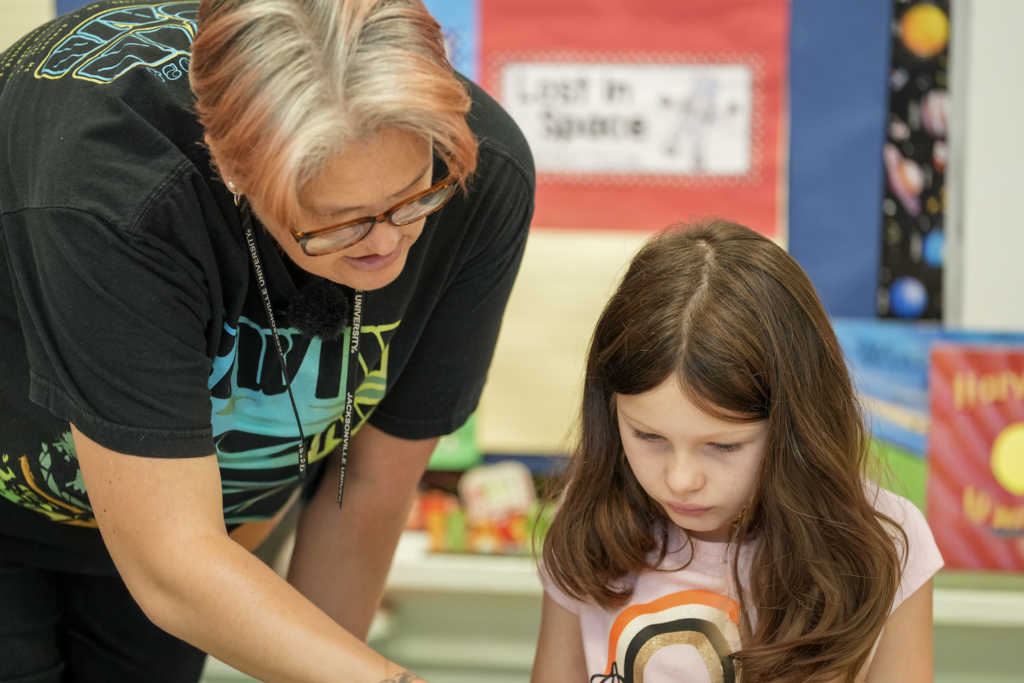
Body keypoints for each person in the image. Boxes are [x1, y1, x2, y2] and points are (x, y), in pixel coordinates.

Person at [0, 0, 533, 681]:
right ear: (235, 172)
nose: (388, 241)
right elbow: (171, 562)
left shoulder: (484, 173)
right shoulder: (117, 190)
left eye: (412, 197)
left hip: (202, 522)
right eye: (338, 222)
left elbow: (368, 486)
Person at [531, 220, 942, 683]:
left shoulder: (888, 541)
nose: (682, 478)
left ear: (796, 426)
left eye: (723, 445)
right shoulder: (586, 524)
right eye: (649, 437)